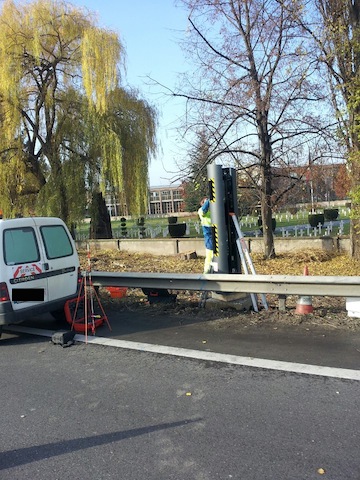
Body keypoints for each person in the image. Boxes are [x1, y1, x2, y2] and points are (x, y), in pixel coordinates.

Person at [198, 197, 214, 273]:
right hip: (208, 232)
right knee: (209, 254)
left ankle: (213, 270)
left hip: (215, 231)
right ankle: (206, 271)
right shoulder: (201, 211)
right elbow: (204, 209)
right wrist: (210, 199)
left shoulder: (212, 211)